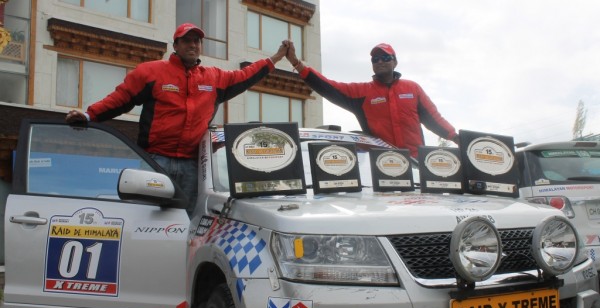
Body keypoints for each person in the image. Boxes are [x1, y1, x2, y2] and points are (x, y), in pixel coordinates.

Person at [66, 23, 290, 215]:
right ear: (175, 45)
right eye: (186, 41)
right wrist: (89, 115)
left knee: (186, 220)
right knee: (146, 215)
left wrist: (276, 58)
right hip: (154, 160)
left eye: (197, 41)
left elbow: (246, 75)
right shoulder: (151, 72)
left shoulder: (214, 78)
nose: (193, 45)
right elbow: (121, 98)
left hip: (192, 165)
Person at [285, 42, 458, 157]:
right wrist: (296, 63)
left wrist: (456, 138)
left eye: (385, 58)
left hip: (416, 163)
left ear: (395, 62)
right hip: (382, 163)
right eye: (375, 59)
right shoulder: (362, 92)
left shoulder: (412, 88)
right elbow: (329, 87)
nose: (380, 61)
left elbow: (434, 119)